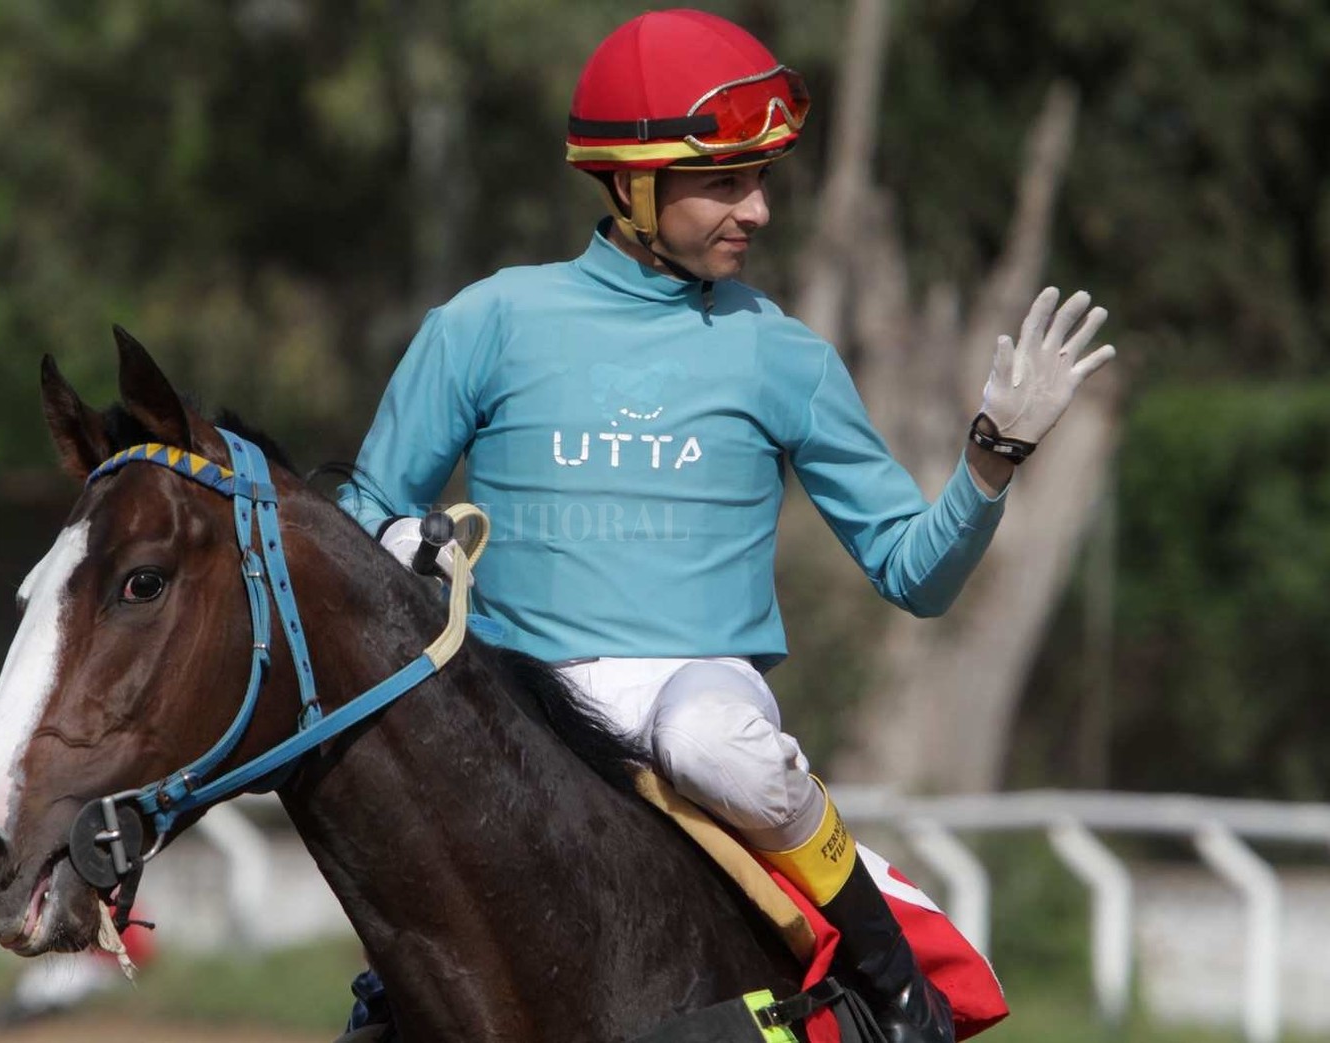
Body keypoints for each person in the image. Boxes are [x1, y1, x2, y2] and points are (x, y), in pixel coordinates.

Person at [335, 9, 1114, 1042]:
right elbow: (362, 515)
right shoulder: (484, 323)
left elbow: (911, 573)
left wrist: (988, 459)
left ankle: (892, 983)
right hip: (513, 698)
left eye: (760, 181)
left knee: (716, 739)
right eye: (723, 184)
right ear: (628, 184)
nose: (753, 210)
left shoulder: (784, 354)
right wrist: (398, 542)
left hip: (693, 689)